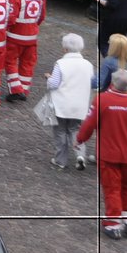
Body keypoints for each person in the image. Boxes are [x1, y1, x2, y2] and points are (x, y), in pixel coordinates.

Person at [77, 68, 127, 239]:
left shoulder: (103, 100)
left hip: (109, 154)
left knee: (112, 189)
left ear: (112, 82)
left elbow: (89, 123)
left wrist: (80, 139)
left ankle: (113, 224)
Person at [47, 33, 95, 171]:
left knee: (60, 131)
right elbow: (91, 82)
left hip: (61, 104)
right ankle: (80, 155)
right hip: (79, 105)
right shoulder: (88, 65)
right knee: (75, 130)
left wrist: (48, 78)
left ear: (65, 49)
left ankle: (60, 160)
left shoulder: (61, 63)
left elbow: (54, 84)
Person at [5, 0, 46, 100]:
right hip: (32, 38)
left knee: (10, 61)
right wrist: (33, 26)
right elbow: (41, 17)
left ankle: (16, 89)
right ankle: (24, 90)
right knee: (27, 64)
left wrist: (6, 29)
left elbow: (11, 18)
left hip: (15, 37)